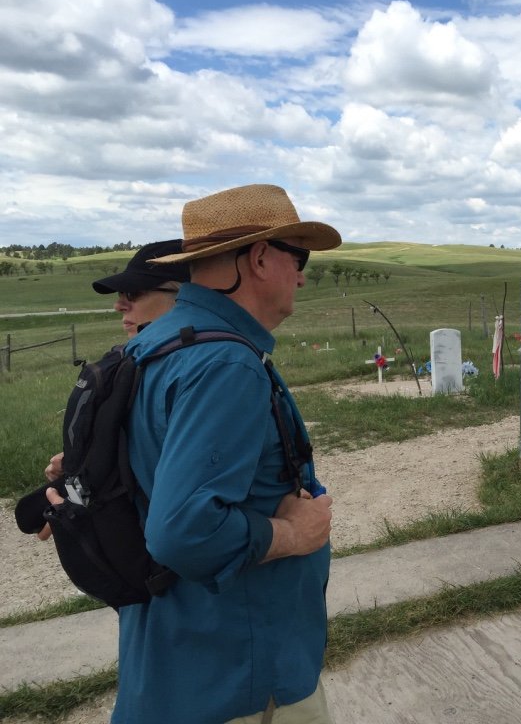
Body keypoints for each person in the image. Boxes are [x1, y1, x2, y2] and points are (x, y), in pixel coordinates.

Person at [46, 184, 340, 723]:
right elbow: (183, 530)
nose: (301, 274)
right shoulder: (224, 365)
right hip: (237, 672)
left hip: (173, 662)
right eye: (297, 257)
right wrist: (295, 534)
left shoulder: (153, 345)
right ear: (258, 257)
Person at [41, 240, 190, 487]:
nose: (119, 305)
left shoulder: (194, 372)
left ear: (184, 295)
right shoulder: (140, 366)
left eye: (133, 293)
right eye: (121, 295)